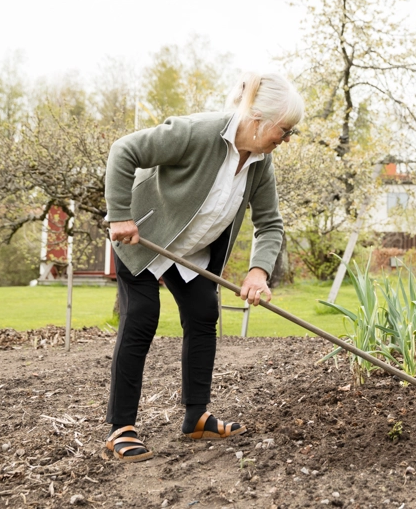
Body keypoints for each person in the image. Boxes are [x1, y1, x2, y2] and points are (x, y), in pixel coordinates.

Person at [101, 72, 304, 462]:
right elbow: (123, 151)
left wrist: (258, 271)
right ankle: (120, 429)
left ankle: (196, 417)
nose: (287, 138)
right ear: (259, 118)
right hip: (143, 237)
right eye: (286, 129)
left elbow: (270, 223)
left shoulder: (261, 163)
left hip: (190, 252)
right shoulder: (197, 132)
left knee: (203, 313)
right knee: (141, 316)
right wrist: (119, 215)